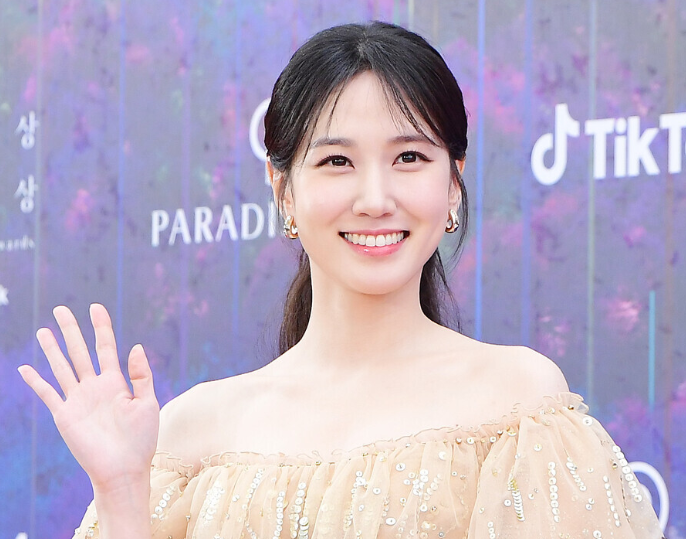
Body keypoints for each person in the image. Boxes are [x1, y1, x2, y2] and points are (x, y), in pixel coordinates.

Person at [18, 21, 662, 539]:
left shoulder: (519, 408)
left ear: (453, 183)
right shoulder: (191, 438)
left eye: (409, 157)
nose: (375, 199)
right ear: (283, 190)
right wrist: (122, 495)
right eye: (336, 162)